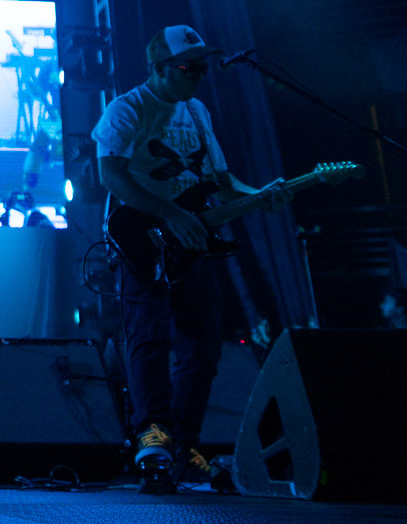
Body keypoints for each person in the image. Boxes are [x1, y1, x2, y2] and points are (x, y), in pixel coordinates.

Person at [92, 25, 288, 494]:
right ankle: (152, 438)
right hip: (142, 240)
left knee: (202, 346)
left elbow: (222, 183)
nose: (200, 75)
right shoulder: (128, 109)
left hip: (193, 241)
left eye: (203, 67)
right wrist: (170, 213)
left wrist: (260, 194)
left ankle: (185, 447)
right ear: (160, 68)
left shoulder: (197, 111)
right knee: (150, 337)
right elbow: (111, 175)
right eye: (190, 67)